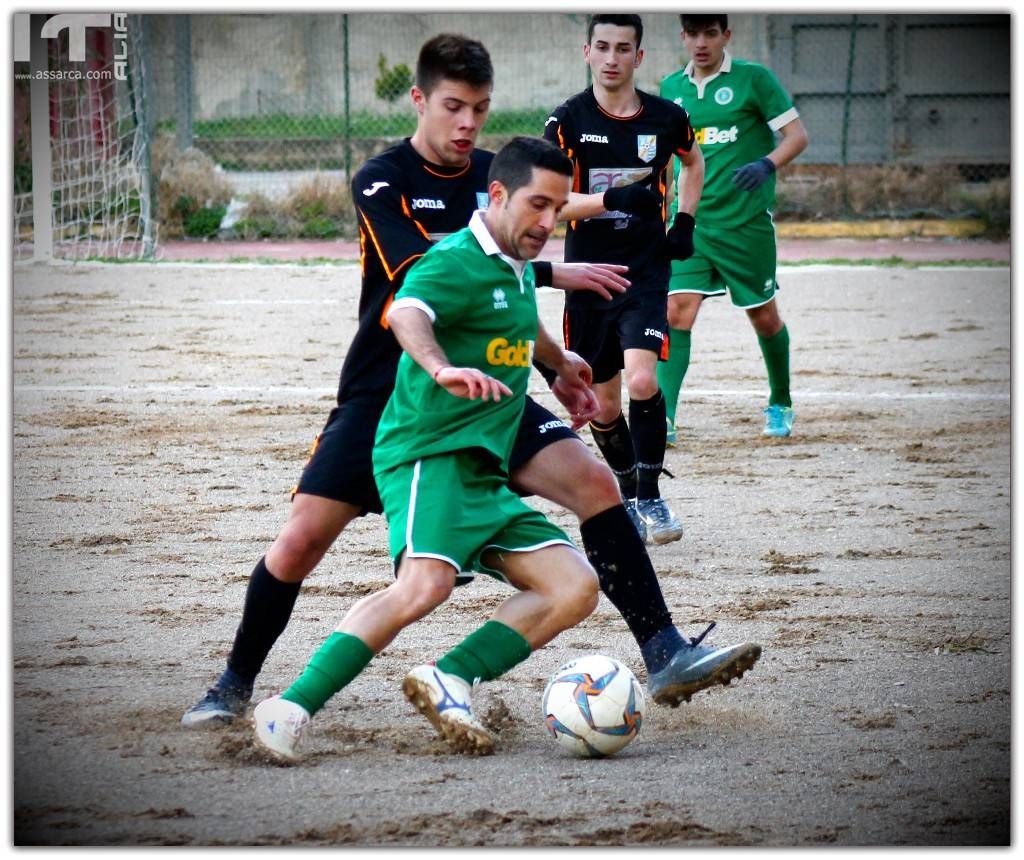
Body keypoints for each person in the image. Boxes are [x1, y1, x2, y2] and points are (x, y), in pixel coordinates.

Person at [182, 34, 759, 730]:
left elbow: (538, 226)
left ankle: (663, 649)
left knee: (596, 485)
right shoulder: (383, 178)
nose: (467, 125)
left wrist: (558, 355)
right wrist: (552, 268)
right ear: (420, 99)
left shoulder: (498, 171)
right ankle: (234, 683)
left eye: (480, 111)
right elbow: (430, 268)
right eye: (454, 107)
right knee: (302, 541)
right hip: (394, 388)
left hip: (493, 390)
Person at [252, 138, 604, 759]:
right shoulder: (452, 259)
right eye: (537, 205)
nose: (550, 223)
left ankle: (450, 676)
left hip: (482, 469)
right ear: (497, 196)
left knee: (573, 585)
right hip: (428, 454)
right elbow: (407, 312)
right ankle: (290, 707)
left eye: (559, 208)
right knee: (425, 585)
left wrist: (559, 363)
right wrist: (440, 368)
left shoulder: (513, 264)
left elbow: (516, 323)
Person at [543, 14, 705, 546]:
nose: (612, 58)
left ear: (640, 57)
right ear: (585, 52)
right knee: (606, 405)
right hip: (587, 276)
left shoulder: (666, 116)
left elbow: (692, 161)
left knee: (642, 381)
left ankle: (651, 496)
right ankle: (627, 488)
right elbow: (551, 205)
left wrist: (684, 220)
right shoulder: (566, 122)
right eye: (603, 47)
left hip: (644, 270)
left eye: (624, 48)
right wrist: (611, 198)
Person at [658, 14, 809, 441]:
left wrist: (766, 163)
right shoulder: (672, 89)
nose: (701, 43)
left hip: (744, 223)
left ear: (726, 35)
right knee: (676, 311)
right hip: (691, 220)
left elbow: (797, 136)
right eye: (693, 34)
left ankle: (781, 401)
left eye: (711, 33)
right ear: (683, 37)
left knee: (763, 316)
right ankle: (664, 418)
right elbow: (671, 155)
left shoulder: (754, 79)